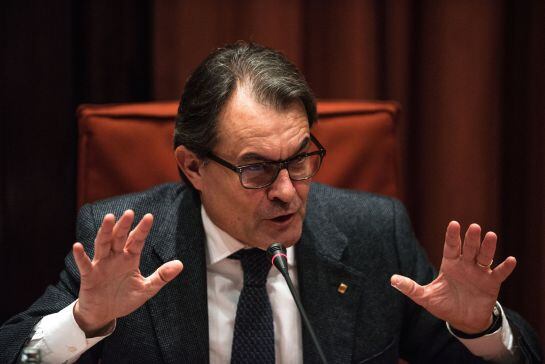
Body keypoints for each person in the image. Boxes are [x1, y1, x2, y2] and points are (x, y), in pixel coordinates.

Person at [0, 42, 541, 364]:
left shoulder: (375, 232)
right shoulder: (124, 244)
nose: (286, 190)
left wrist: (479, 330)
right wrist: (86, 320)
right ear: (192, 167)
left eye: (300, 158)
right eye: (256, 167)